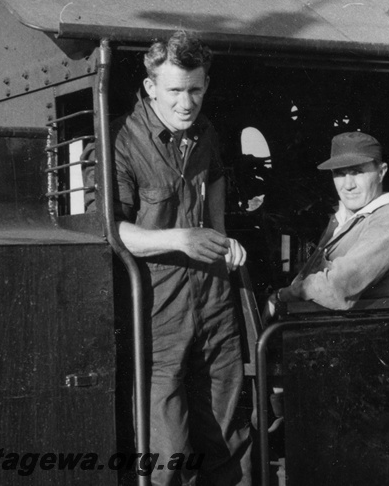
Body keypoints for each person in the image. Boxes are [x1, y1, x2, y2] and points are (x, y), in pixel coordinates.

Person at [84, 30, 250, 486]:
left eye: (195, 89)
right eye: (175, 90)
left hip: (215, 303)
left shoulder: (205, 132)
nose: (186, 103)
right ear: (150, 86)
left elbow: (214, 175)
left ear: (206, 84)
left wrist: (220, 236)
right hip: (158, 312)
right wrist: (182, 239)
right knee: (168, 451)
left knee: (228, 436)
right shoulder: (119, 140)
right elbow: (110, 230)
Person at [267, 131, 389, 317]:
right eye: (340, 174)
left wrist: (282, 296)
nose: (348, 185)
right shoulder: (342, 219)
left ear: (381, 172)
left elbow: (336, 287)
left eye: (357, 172)